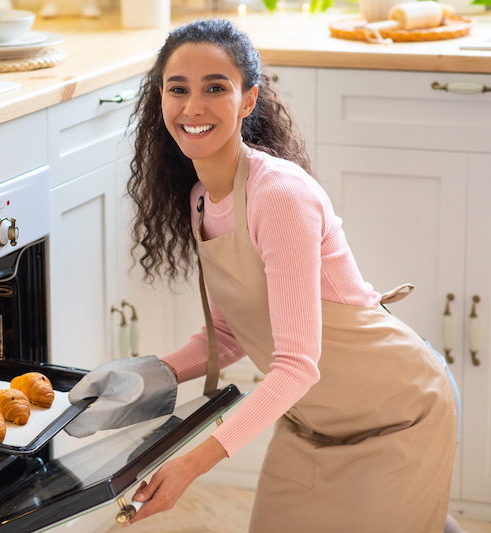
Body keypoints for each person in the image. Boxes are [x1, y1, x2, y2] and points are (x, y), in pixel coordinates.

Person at [65, 18, 462, 533]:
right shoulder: (201, 198)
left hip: (395, 413)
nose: (193, 107)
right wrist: (152, 372)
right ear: (159, 98)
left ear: (248, 100)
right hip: (312, 421)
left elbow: (296, 365)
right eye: (177, 89)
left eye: (216, 88)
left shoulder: (278, 197)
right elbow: (232, 332)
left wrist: (192, 462)